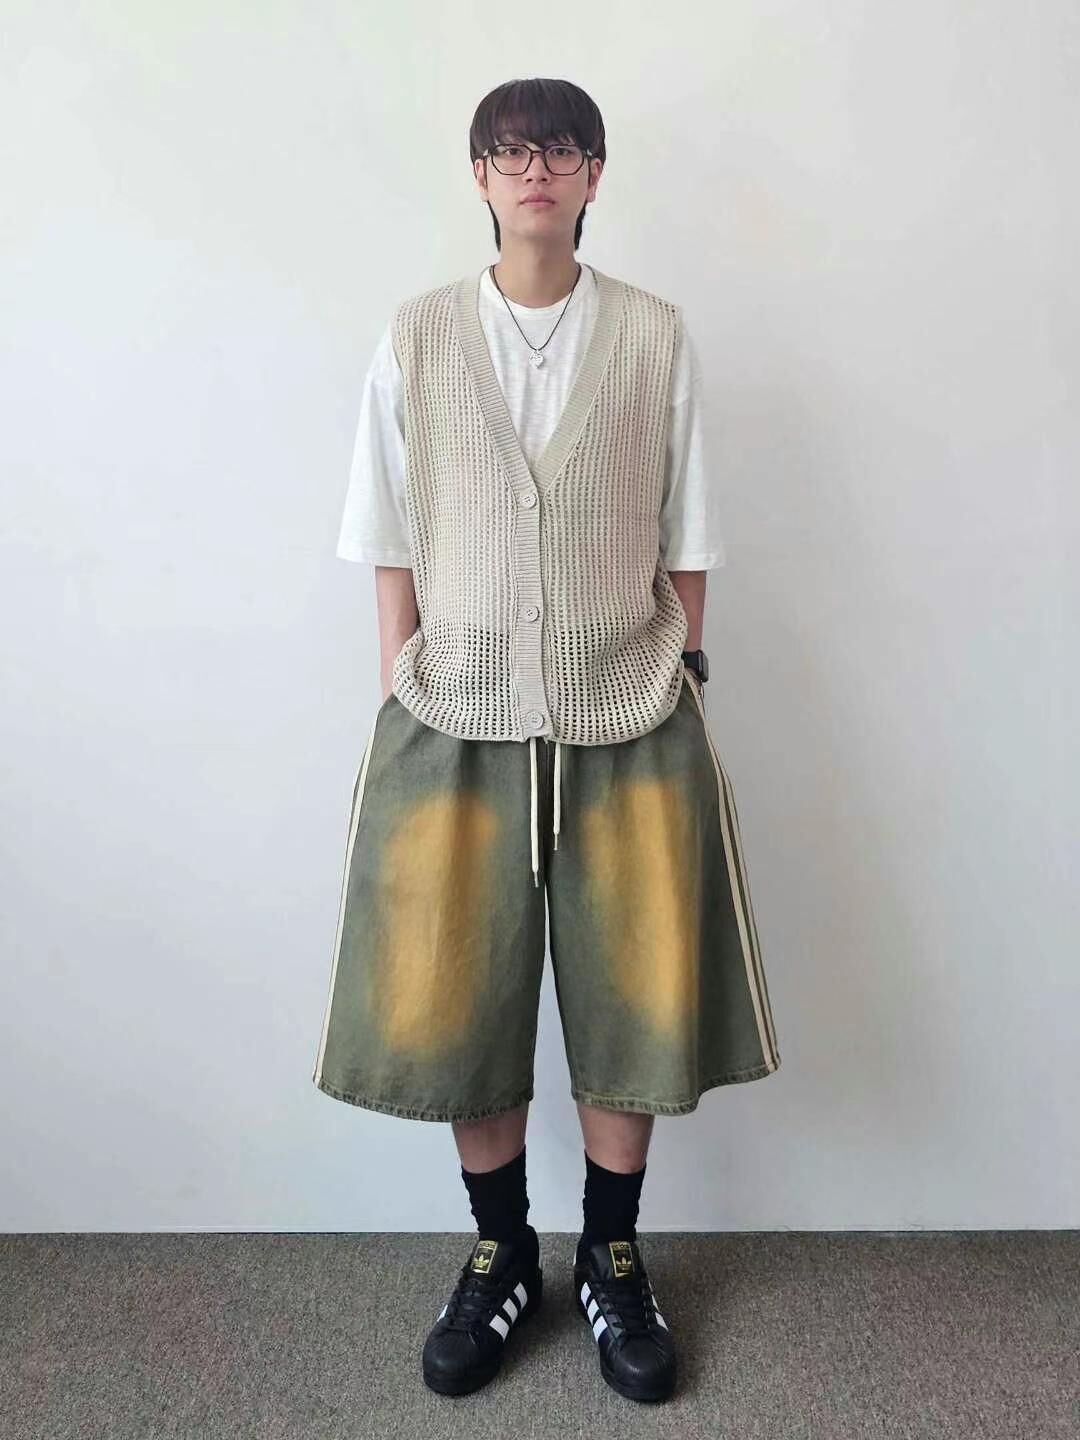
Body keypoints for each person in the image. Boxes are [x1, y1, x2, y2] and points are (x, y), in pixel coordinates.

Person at [312, 76, 781, 1405]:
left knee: (636, 988)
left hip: (628, 710)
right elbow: (385, 526)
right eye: (510, 153)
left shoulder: (653, 335)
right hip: (453, 713)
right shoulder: (415, 335)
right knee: (459, 991)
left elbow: (690, 527)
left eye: (559, 152)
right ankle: (502, 1247)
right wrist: (399, 674)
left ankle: (613, 1255)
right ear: (479, 177)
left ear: (593, 176)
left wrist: (685, 667)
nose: (535, 172)